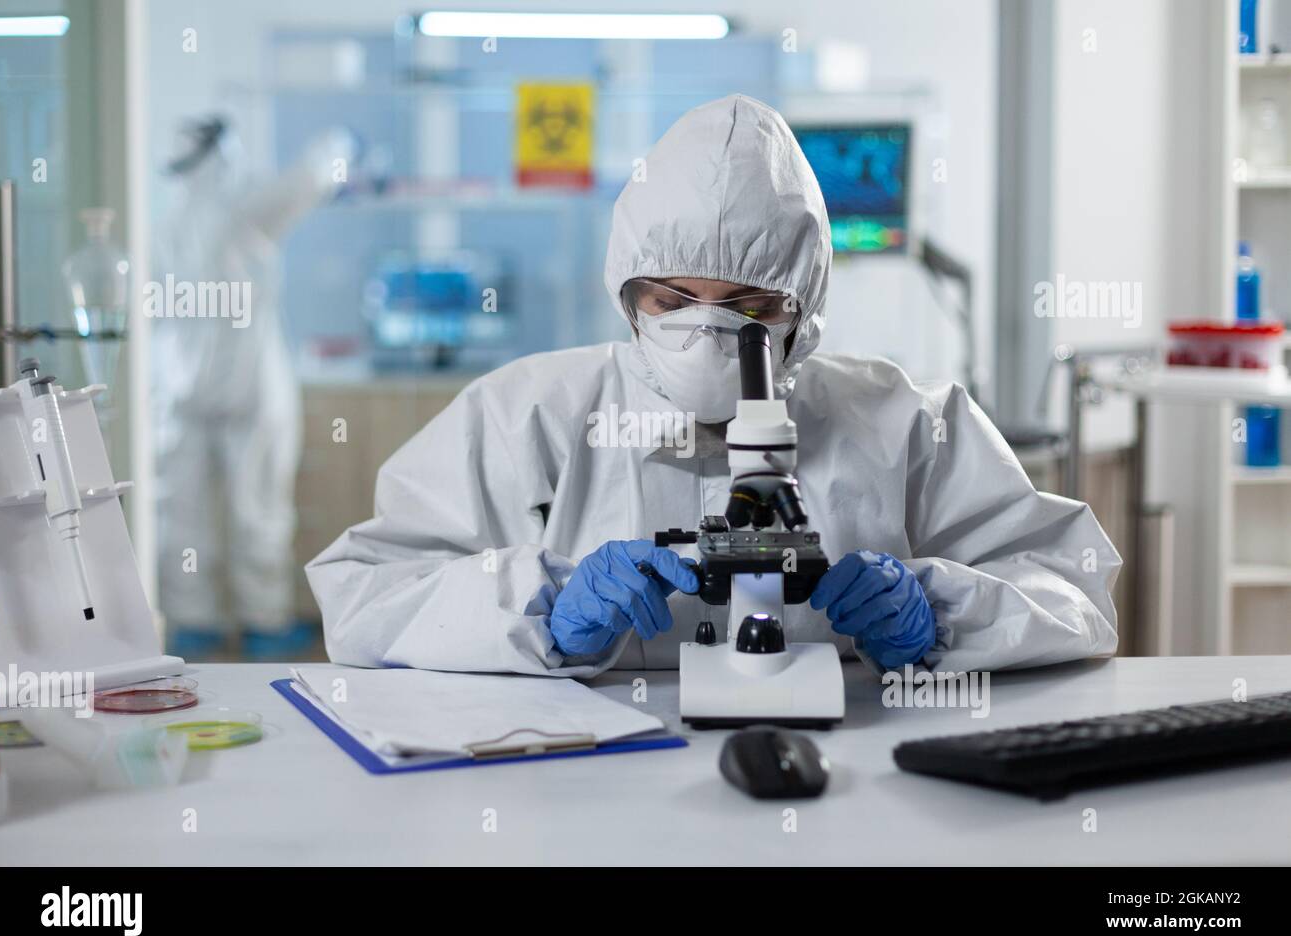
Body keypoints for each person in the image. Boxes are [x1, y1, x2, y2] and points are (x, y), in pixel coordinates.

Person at [307, 94, 1119, 677]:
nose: (707, 335)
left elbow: (1073, 586)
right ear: (628, 293)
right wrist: (535, 608)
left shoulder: (909, 422)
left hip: (860, 785)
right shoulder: (524, 414)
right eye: (672, 300)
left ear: (804, 310)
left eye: (749, 308)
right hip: (576, 793)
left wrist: (940, 613)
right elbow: (363, 593)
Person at [154, 117, 355, 661]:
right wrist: (341, 138)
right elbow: (314, 176)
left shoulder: (162, 216)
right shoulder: (241, 205)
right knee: (258, 505)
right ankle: (263, 624)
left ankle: (193, 622)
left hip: (179, 383)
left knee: (182, 509)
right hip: (249, 380)